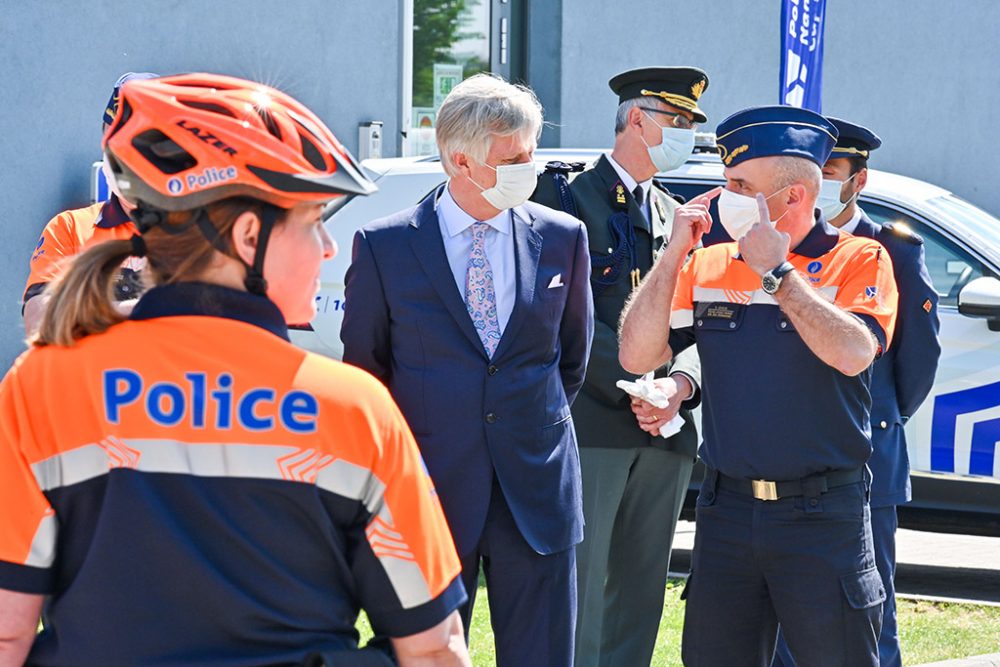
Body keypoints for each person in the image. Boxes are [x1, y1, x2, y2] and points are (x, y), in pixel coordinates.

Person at [0, 73, 470, 667]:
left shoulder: (41, 387)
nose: (328, 246)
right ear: (249, 236)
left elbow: (5, 634)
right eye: (312, 221)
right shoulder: (355, 408)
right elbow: (434, 649)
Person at [619, 105, 900, 666]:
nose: (727, 196)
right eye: (727, 183)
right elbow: (637, 352)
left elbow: (853, 353)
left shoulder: (859, 257)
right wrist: (673, 256)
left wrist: (779, 275)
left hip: (823, 516)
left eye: (741, 185)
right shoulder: (711, 261)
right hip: (728, 511)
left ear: (794, 197)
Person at [341, 73, 594, 666]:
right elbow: (366, 377)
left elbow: (571, 360)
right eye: (517, 158)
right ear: (462, 160)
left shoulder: (562, 238)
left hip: (537, 493)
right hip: (429, 492)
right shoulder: (386, 247)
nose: (533, 168)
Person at [532, 66, 706, 667]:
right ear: (638, 119)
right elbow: (555, 313)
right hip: (595, 423)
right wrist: (639, 384)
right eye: (677, 121)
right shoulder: (561, 198)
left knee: (640, 592)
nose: (687, 134)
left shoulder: (676, 213)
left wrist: (676, 388)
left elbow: (695, 315)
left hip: (665, 431)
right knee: (582, 590)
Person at [772, 118, 941, 667]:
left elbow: (916, 360)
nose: (815, 182)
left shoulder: (892, 249)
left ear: (857, 180)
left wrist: (878, 418)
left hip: (865, 455)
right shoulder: (778, 243)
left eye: (828, 171)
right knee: (780, 618)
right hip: (784, 457)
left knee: (868, 613)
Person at [22, 72, 158, 335]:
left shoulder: (197, 232)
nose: (123, 159)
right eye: (112, 142)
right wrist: (142, 308)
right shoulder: (70, 228)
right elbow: (39, 322)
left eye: (137, 144)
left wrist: (87, 314)